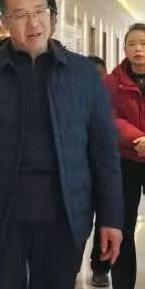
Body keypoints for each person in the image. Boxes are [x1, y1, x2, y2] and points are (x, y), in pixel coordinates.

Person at [0, 0, 123, 289]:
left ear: (51, 15)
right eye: (21, 15)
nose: (34, 23)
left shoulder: (82, 74)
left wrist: (111, 218)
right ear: (4, 21)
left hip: (64, 217)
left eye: (40, 11)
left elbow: (104, 154)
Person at [105, 23, 145, 289]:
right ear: (124, 48)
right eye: (132, 44)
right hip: (124, 161)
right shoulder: (111, 82)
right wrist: (138, 140)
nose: (138, 49)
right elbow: (108, 117)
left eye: (143, 43)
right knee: (122, 227)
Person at [84, 55, 112, 287]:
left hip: (104, 173)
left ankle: (100, 268)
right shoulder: (71, 100)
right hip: (79, 175)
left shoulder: (111, 99)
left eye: (100, 77)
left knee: (106, 221)